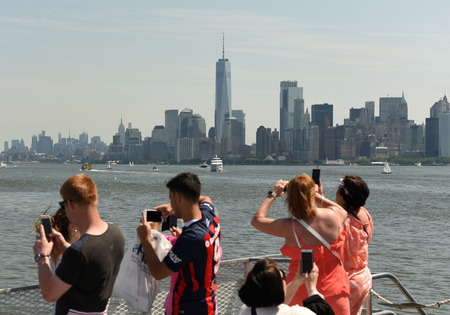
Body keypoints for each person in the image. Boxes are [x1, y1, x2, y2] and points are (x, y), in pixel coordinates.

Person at [251, 175, 350, 315]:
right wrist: (314, 194)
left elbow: (257, 220)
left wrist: (272, 194)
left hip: (299, 294)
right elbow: (340, 209)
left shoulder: (289, 226)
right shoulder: (334, 216)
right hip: (336, 292)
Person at [33, 173, 125, 315]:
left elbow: (49, 294)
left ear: (70, 204)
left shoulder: (78, 252)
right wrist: (65, 247)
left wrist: (42, 255)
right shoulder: (115, 234)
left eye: (64, 204)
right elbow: (92, 262)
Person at [137, 172, 221, 315]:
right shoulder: (210, 216)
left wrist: (145, 239)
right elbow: (206, 198)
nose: (171, 204)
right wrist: (172, 206)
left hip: (188, 308)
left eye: (171, 198)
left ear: (178, 197)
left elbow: (158, 272)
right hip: (208, 303)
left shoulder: (190, 239)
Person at [237, 258, 334, 315]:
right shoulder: (297, 313)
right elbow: (324, 311)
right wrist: (312, 288)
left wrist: (296, 282)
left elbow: (274, 306)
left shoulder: (246, 310)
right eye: (283, 276)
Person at [336, 175, 372, 315]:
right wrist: (319, 197)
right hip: (362, 278)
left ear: (344, 197)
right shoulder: (365, 215)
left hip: (346, 282)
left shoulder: (343, 222)